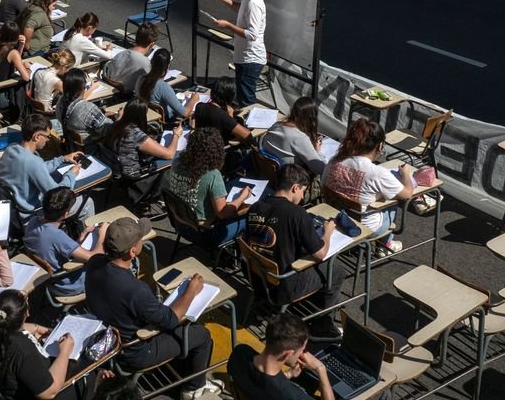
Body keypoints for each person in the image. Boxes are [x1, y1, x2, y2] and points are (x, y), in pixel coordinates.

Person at [84, 217, 219, 400]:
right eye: (140, 239)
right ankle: (195, 387)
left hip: (106, 337)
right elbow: (171, 319)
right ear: (133, 252)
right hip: (136, 352)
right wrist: (191, 291)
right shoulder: (135, 290)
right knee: (201, 335)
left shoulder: (94, 263)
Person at [246, 164, 341, 338]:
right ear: (295, 187)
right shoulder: (297, 214)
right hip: (283, 286)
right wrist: (327, 233)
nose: (303, 196)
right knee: (336, 270)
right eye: (303, 191)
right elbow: (320, 253)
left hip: (258, 279)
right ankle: (322, 324)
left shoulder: (255, 207)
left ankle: (264, 305)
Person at [324, 118, 415, 253]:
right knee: (392, 202)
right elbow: (407, 193)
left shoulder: (335, 160)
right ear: (379, 146)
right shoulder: (377, 173)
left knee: (376, 196)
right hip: (364, 226)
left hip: (333, 215)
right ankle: (385, 245)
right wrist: (406, 174)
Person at [0, 289, 77, 400]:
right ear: (26, 313)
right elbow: (49, 393)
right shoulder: (23, 350)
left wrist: (36, 328)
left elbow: (6, 326)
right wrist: (64, 352)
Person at [0, 114, 95, 221]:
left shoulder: (11, 148)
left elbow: (36, 169)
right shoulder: (33, 163)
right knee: (87, 202)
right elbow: (58, 196)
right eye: (47, 136)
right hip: (32, 214)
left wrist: (62, 159)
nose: (48, 140)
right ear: (37, 136)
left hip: (14, 209)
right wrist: (71, 174)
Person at [166, 128, 251, 247]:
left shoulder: (177, 161)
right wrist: (242, 197)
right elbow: (223, 213)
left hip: (179, 223)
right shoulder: (212, 175)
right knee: (249, 217)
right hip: (206, 234)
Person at [23, 188, 108, 298]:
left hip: (50, 280)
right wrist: (102, 234)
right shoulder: (56, 235)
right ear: (66, 214)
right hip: (69, 284)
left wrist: (81, 238)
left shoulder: (33, 222)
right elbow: (94, 257)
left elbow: (57, 248)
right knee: (112, 257)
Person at [229, 314, 334, 400]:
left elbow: (262, 382)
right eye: (302, 350)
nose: (303, 353)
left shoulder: (240, 353)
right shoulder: (293, 396)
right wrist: (321, 369)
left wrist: (288, 374)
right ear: (288, 354)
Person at [209, 0, 266, 107]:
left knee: (246, 99)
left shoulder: (254, 3)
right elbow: (240, 8)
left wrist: (228, 25)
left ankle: (249, 126)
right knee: (243, 96)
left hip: (250, 58)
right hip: (244, 57)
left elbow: (252, 34)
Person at [102, 99, 180, 181]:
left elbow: (119, 120)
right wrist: (176, 135)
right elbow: (169, 154)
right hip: (133, 175)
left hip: (116, 169)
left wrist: (120, 116)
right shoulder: (136, 134)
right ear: (142, 116)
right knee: (176, 155)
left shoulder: (115, 125)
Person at [260, 96, 327, 175]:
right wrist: (317, 151)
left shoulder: (276, 125)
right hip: (286, 178)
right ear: (311, 118)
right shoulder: (300, 138)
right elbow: (321, 169)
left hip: (268, 171)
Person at [137, 48, 197, 122]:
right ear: (167, 66)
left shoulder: (140, 79)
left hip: (145, 115)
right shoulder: (163, 87)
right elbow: (185, 113)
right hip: (166, 119)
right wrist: (194, 99)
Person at [55, 68, 113, 144]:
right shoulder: (88, 108)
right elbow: (108, 129)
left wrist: (101, 116)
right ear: (83, 86)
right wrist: (119, 117)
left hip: (72, 144)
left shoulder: (61, 101)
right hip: (91, 147)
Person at [193, 77, 252, 144]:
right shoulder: (223, 116)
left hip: (199, 144)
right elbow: (247, 135)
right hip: (216, 149)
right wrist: (230, 117)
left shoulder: (199, 106)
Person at [101, 23, 156, 92]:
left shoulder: (120, 54)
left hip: (108, 88)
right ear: (152, 44)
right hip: (126, 96)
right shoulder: (146, 64)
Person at [29, 48, 73, 113]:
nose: (68, 71)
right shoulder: (57, 81)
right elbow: (72, 97)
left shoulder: (38, 71)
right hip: (48, 113)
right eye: (68, 68)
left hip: (35, 109)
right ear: (64, 66)